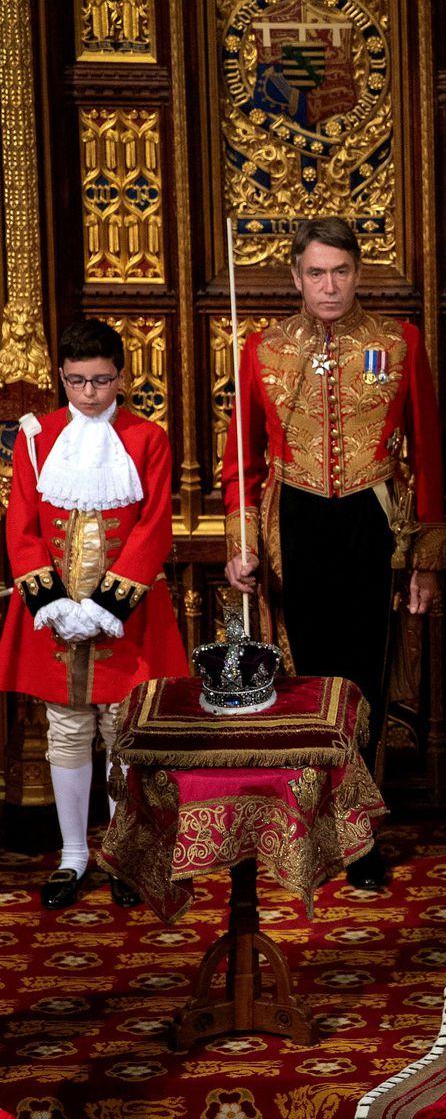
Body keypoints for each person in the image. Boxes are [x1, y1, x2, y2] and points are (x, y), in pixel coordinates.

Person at [220, 217, 446, 890]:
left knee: (361, 677)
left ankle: (358, 833)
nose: (329, 285)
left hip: (372, 521)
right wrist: (241, 545)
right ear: (296, 277)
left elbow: (428, 454)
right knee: (303, 679)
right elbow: (241, 462)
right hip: (294, 521)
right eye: (316, 273)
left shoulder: (398, 343)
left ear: (358, 274)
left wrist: (426, 560)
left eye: (340, 272)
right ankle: (307, 824)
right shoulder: (262, 349)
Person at [0, 319, 189, 909]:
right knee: (67, 731)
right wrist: (52, 602)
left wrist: (107, 606)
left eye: (101, 380)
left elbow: (155, 525)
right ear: (62, 377)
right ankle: (73, 854)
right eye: (77, 381)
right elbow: (22, 524)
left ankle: (124, 855)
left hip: (127, 617)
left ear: (121, 376)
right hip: (54, 615)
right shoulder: (36, 437)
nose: (88, 393)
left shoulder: (146, 438)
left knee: (122, 732)